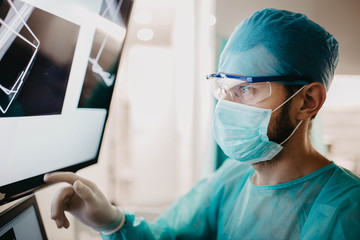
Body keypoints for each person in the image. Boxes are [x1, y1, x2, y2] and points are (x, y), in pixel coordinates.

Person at [44, 8, 360, 239]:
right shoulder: (231, 179)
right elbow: (166, 236)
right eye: (224, 89)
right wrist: (111, 221)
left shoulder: (347, 211)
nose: (227, 107)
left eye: (246, 89)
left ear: (308, 101)